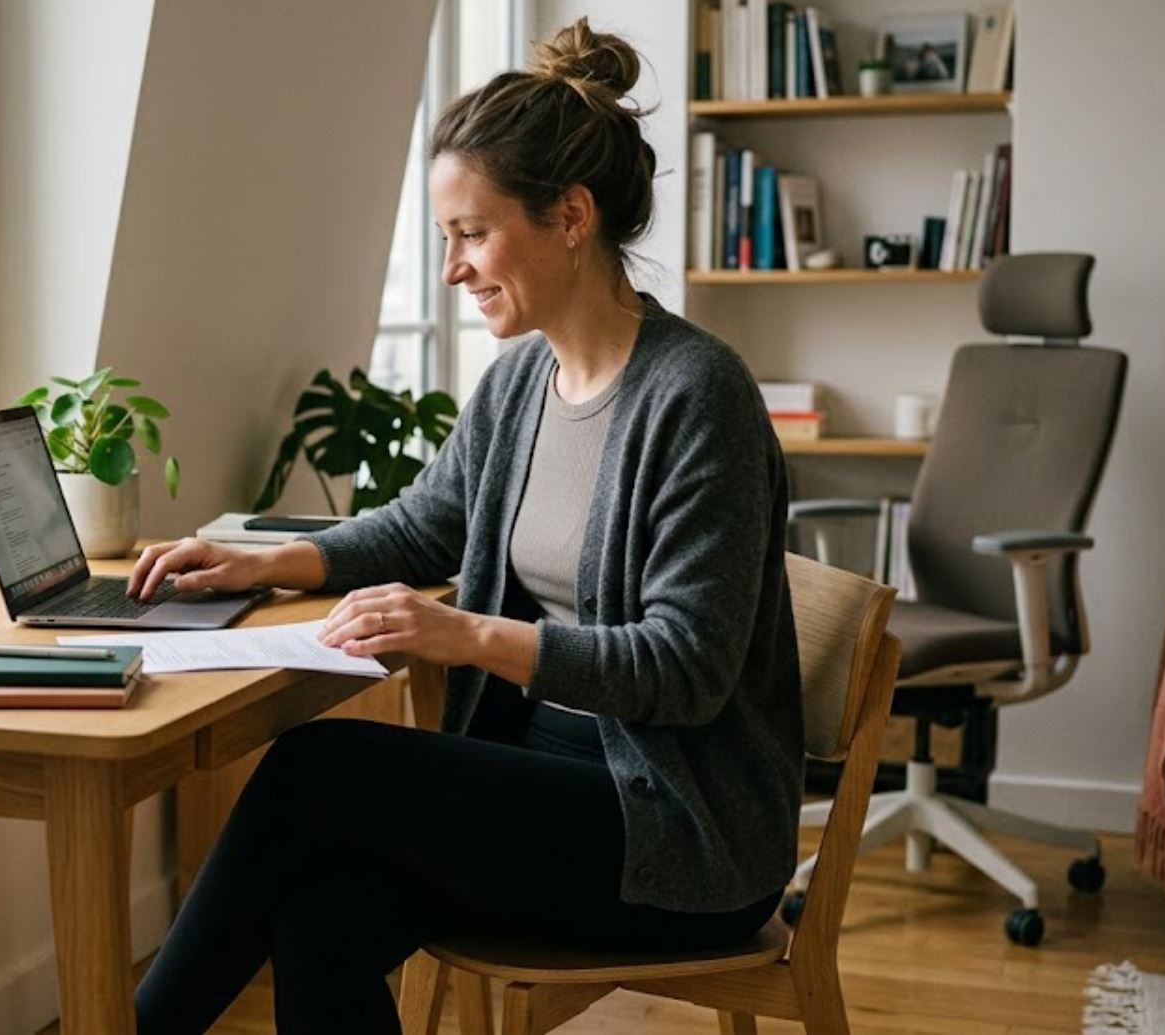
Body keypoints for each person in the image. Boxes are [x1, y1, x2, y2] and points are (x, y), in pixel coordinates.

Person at [126, 18, 801, 1034]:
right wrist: (258, 560)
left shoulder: (696, 394)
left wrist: (465, 634)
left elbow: (688, 669)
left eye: (470, 234)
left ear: (570, 217)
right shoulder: (522, 379)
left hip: (674, 826)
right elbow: (425, 525)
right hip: (542, 790)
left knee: (318, 768)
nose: (452, 270)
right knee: (320, 921)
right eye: (446, 239)